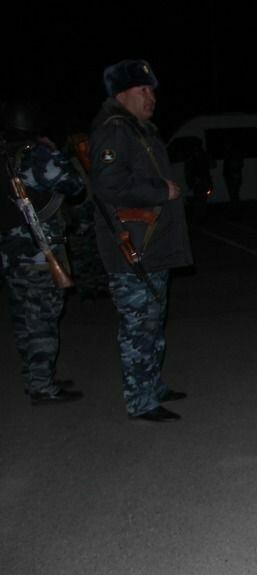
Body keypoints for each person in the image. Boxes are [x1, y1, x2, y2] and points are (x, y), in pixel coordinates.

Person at [89, 59, 193, 422]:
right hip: (132, 247)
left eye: (152, 90)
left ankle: (152, 385)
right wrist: (160, 191)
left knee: (153, 321)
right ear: (121, 94)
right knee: (138, 327)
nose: (151, 97)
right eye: (143, 90)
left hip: (151, 246)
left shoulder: (138, 129)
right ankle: (140, 400)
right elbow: (109, 184)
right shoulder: (115, 131)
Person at [0, 101, 85, 404]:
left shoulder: (5, 156)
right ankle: (42, 386)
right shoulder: (35, 155)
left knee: (24, 318)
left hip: (10, 254)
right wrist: (54, 151)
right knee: (42, 319)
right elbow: (74, 185)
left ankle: (36, 376)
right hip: (38, 253)